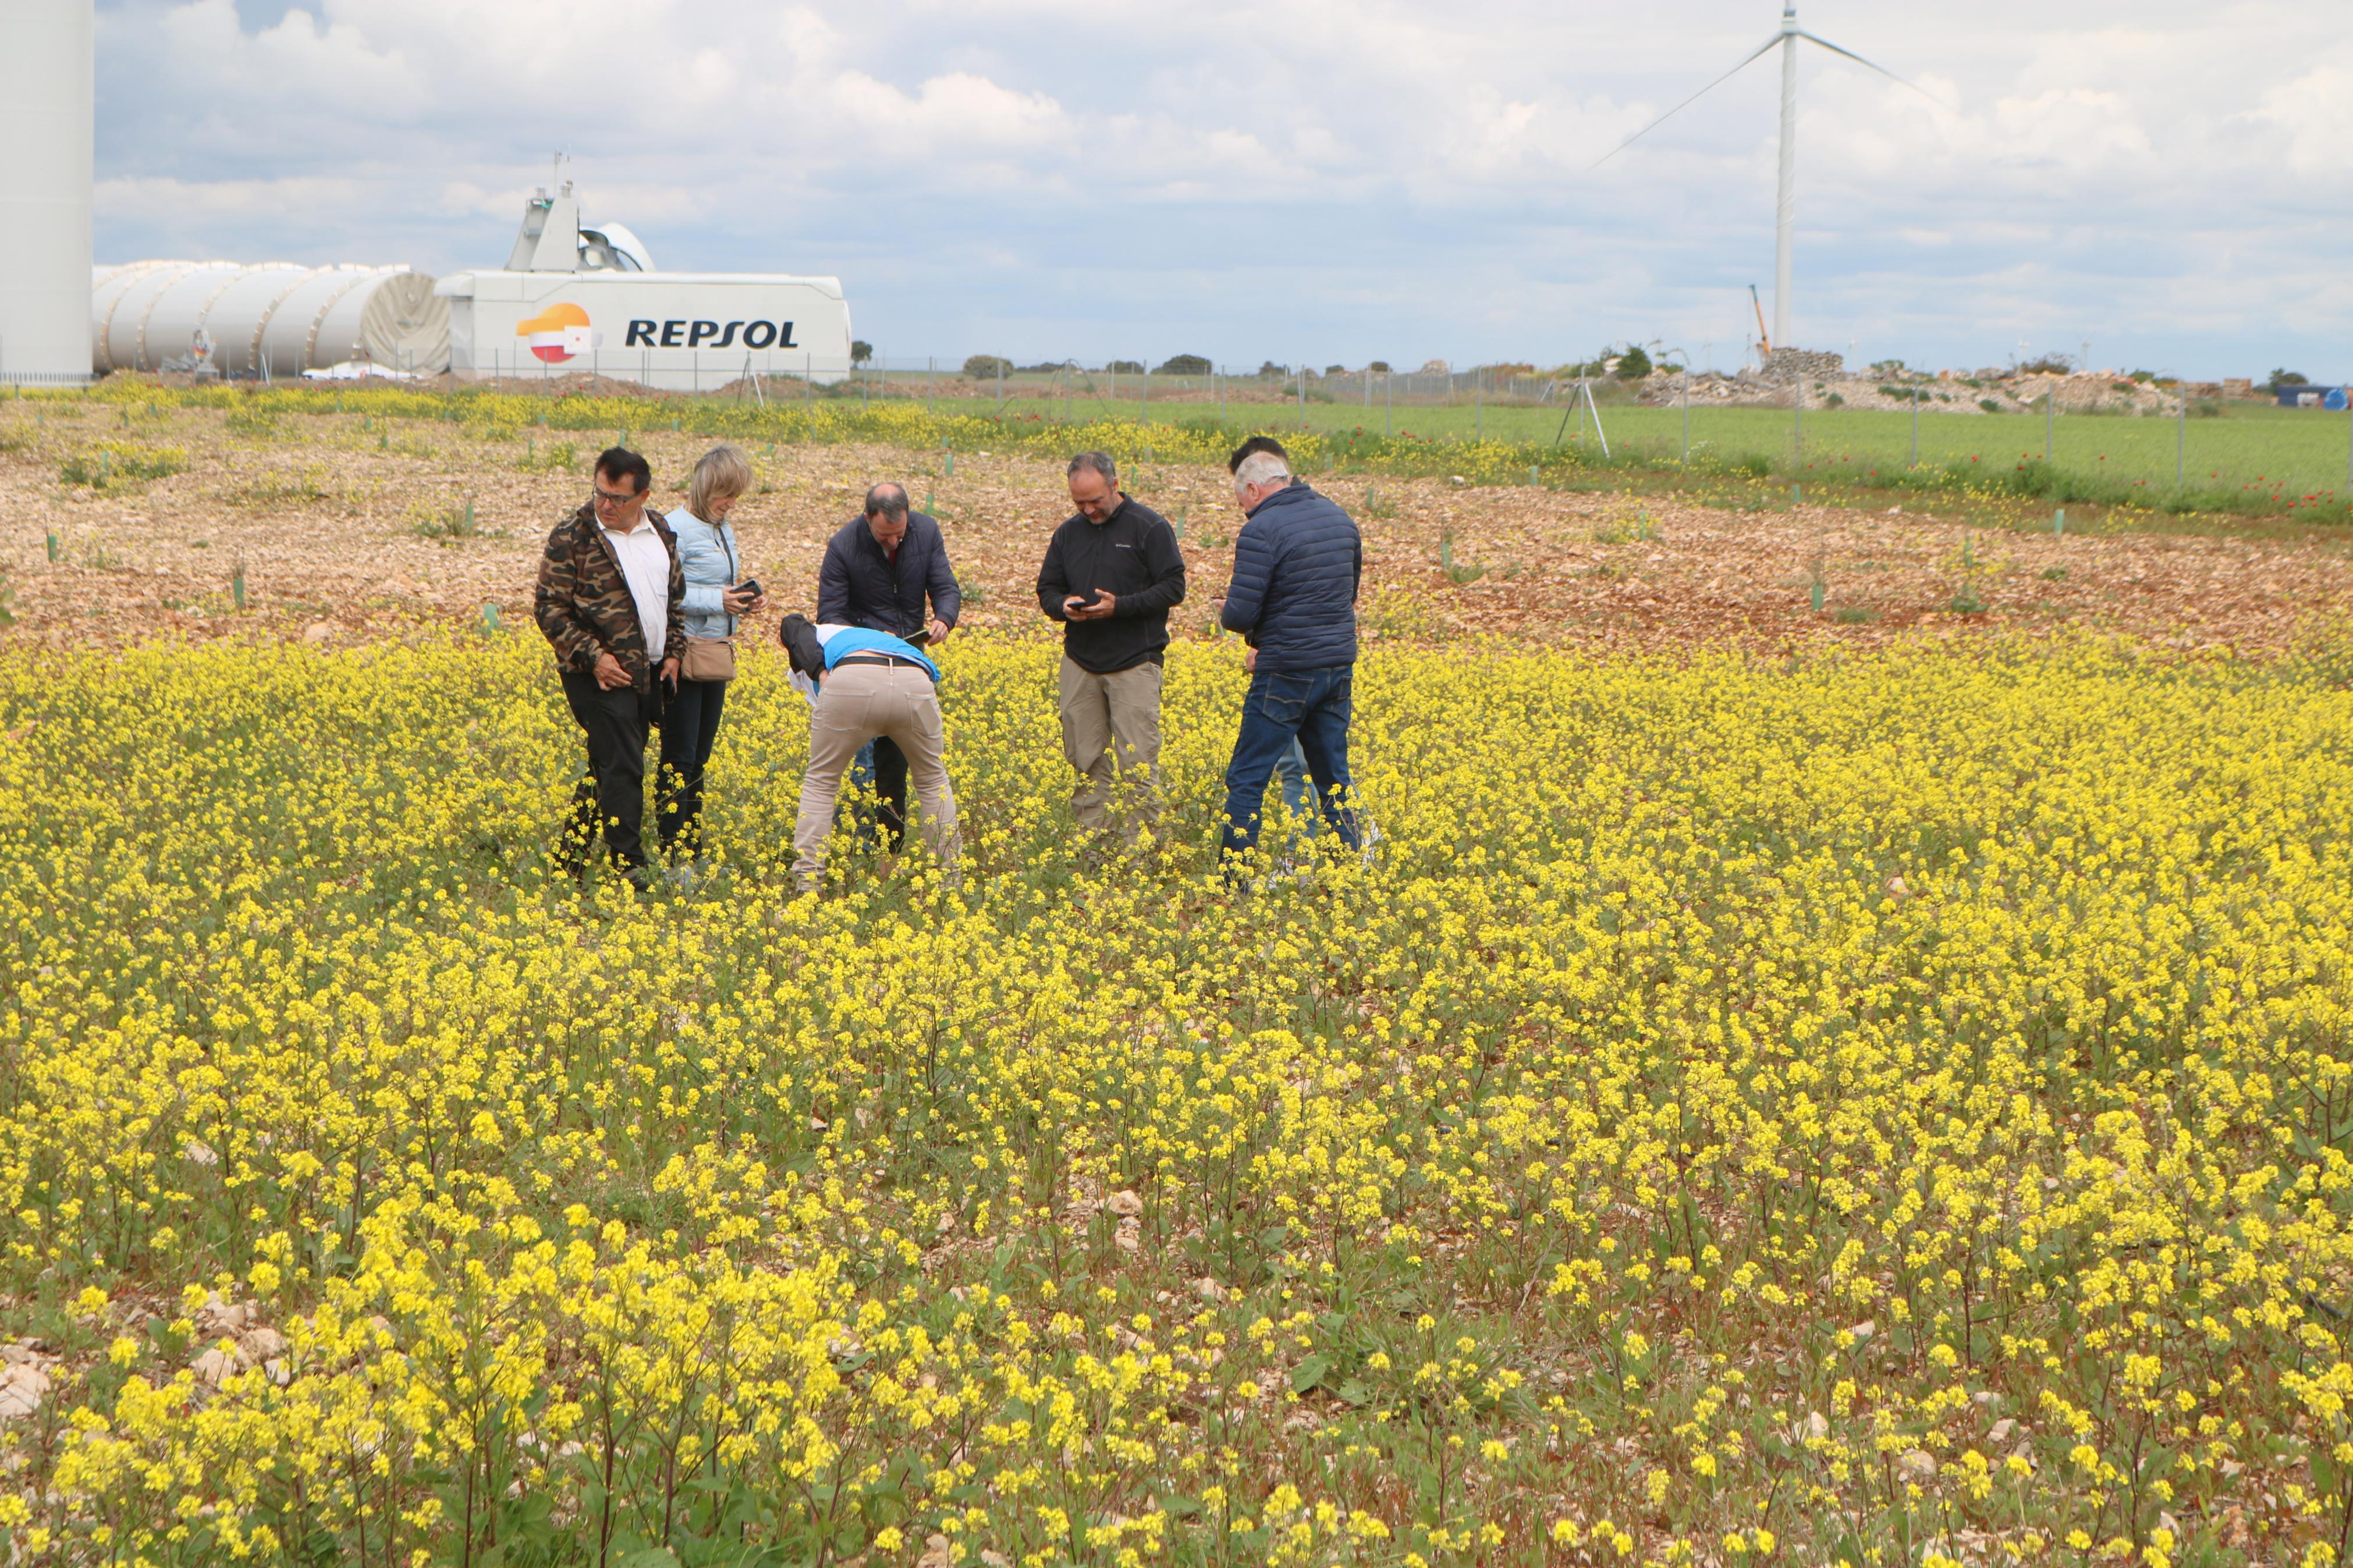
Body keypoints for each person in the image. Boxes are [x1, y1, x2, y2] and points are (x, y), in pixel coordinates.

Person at [1215, 436, 1364, 869]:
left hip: (1286, 671)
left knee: (1248, 776)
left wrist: (1248, 627)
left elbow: (1239, 614)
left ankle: (1233, 878)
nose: (1244, 509)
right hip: (1336, 665)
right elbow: (1346, 594)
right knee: (1332, 776)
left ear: (1254, 490)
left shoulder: (1260, 527)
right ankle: (1350, 873)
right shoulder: (1339, 517)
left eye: (1242, 500)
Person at [534, 446, 683, 880]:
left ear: (644, 496)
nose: (606, 505)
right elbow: (548, 609)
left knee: (609, 762)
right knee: (624, 765)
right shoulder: (573, 536)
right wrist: (595, 658)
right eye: (600, 493)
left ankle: (568, 862)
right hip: (594, 675)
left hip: (648, 672)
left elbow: (675, 600)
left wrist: (674, 652)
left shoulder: (661, 531)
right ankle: (629, 870)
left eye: (618, 498)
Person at [1035, 450, 1187, 842]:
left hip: (1135, 661)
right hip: (1081, 661)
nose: (1088, 510)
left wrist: (1120, 607)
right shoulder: (1067, 534)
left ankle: (1146, 855)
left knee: (1137, 766)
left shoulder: (1149, 527)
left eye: (1095, 501)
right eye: (1079, 503)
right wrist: (1062, 607)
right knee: (1085, 760)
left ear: (1114, 486)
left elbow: (1173, 587)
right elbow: (1047, 589)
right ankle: (1095, 851)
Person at [816, 482, 959, 849]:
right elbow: (830, 616)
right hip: (863, 664)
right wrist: (869, 635)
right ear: (867, 519)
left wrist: (944, 617)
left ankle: (890, 847)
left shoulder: (925, 532)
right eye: (884, 536)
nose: (894, 542)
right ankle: (863, 843)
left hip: (909, 662)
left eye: (899, 534)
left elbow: (945, 585)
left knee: (899, 763)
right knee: (864, 764)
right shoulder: (844, 546)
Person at [778, 612, 961, 894]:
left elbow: (792, 623)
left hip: (852, 676)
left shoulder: (819, 633)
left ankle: (809, 886)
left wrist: (822, 674)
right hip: (915, 676)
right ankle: (951, 884)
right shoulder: (871, 637)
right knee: (933, 781)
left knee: (821, 783)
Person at [658, 443, 765, 862]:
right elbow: (664, 593)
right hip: (682, 656)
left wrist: (742, 601)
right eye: (725, 494)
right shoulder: (673, 527)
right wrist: (716, 600)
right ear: (706, 488)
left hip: (715, 653)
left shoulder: (723, 528)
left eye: (736, 495)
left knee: (699, 758)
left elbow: (717, 588)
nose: (730, 503)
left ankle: (691, 848)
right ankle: (672, 854)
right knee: (678, 758)